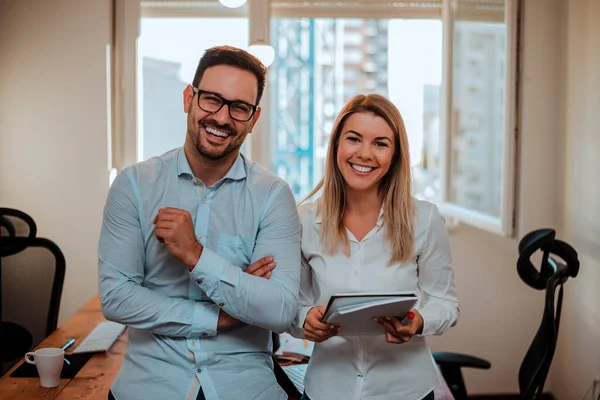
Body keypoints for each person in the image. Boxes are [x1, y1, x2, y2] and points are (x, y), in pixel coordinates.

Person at [98, 45, 301, 400]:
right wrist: (221, 315)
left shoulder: (273, 196)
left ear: (253, 119)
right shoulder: (134, 185)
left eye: (239, 107)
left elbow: (280, 309)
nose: (222, 118)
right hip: (149, 385)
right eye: (211, 100)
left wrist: (195, 255)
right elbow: (117, 298)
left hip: (246, 386)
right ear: (189, 99)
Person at [289, 94, 460, 400]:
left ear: (394, 155)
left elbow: (446, 304)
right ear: (336, 147)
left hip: (406, 390)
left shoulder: (425, 219)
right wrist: (305, 322)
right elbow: (292, 305)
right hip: (327, 388)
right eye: (354, 139)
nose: (365, 154)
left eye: (380, 143)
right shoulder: (304, 220)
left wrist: (419, 322)